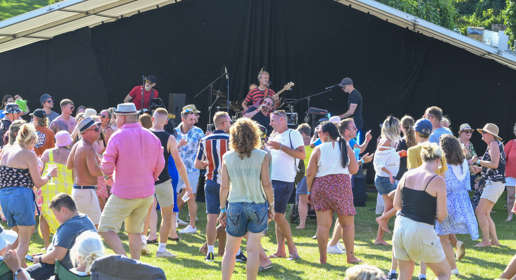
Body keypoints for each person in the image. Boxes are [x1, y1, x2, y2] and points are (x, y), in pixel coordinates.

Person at [99, 103, 164, 260]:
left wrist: (108, 177)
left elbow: (106, 166)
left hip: (124, 192)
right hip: (147, 192)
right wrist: (152, 178)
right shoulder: (152, 136)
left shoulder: (117, 136)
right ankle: (135, 268)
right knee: (134, 232)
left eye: (116, 116)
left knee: (105, 228)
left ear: (122, 117)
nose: (115, 119)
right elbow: (160, 163)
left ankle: (126, 260)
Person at [218, 118, 274, 280]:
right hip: (257, 205)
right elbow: (266, 184)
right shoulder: (262, 156)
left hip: (235, 205)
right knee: (253, 250)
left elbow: (224, 187)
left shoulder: (227, 157)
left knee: (230, 251)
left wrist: (222, 209)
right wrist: (271, 205)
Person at [0, 124, 57, 266]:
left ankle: (16, 268)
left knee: (16, 239)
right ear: (31, 140)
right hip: (21, 196)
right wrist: (50, 175)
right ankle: (15, 271)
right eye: (34, 143)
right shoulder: (29, 154)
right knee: (25, 242)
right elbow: (38, 182)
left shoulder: (6, 151)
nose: (34, 147)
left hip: (5, 196)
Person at [392, 143, 450, 280]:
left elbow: (396, 204)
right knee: (444, 273)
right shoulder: (438, 180)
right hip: (421, 228)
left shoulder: (407, 174)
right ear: (437, 160)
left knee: (404, 274)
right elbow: (442, 216)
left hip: (400, 227)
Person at [306, 121, 360, 264]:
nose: (318, 135)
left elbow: (310, 173)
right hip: (342, 186)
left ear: (326, 134)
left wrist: (308, 191)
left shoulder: (318, 149)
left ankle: (323, 258)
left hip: (321, 185)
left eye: (319, 133)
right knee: (347, 225)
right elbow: (354, 170)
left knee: (323, 226)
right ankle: (350, 257)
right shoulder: (345, 146)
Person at [326, 118, 373, 254]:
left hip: (344, 182)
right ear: (346, 131)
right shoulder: (341, 145)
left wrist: (361, 160)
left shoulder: (344, 143)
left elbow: (347, 166)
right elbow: (345, 167)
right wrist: (362, 161)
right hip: (341, 183)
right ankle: (332, 244)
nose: (356, 130)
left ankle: (333, 243)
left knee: (343, 215)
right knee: (345, 215)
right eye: (353, 128)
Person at [150, 108, 192, 258]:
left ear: (152, 119)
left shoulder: (144, 135)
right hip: (163, 181)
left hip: (145, 181)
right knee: (167, 216)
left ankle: (142, 242)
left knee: (143, 213)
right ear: (166, 122)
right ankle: (161, 248)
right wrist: (187, 185)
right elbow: (179, 164)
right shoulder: (170, 139)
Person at [435, 135, 479, 275]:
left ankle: (453, 268)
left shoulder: (443, 164)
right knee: (446, 235)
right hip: (462, 201)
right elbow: (466, 184)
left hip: (447, 201)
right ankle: (456, 247)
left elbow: (442, 184)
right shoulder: (464, 163)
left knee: (442, 238)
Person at [26, 193, 96, 280]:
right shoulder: (86, 219)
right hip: (84, 270)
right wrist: (46, 255)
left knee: (23, 274)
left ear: (64, 210)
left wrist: (40, 258)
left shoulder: (68, 226)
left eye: (56, 215)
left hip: (66, 270)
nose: (56, 218)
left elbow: (57, 257)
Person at [267, 110, 304, 259]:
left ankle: (292, 249)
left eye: (273, 120)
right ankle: (280, 250)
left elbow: (302, 155)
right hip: (271, 180)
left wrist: (280, 147)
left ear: (283, 120)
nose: (270, 123)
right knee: (277, 216)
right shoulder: (274, 135)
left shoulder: (293, 134)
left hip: (284, 180)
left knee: (278, 215)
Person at [194, 111, 231, 261]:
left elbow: (197, 164)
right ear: (223, 124)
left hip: (210, 181)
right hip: (228, 184)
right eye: (229, 122)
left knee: (211, 218)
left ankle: (210, 251)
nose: (230, 124)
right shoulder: (231, 139)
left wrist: (208, 163)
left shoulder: (205, 139)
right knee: (229, 217)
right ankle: (230, 251)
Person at [473, 123, 506, 248]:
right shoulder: (493, 144)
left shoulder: (493, 144)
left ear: (491, 135)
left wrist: (478, 161)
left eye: (484, 132)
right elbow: (493, 166)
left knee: (480, 212)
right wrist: (480, 169)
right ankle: (495, 241)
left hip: (494, 183)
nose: (482, 134)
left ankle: (486, 241)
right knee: (485, 213)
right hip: (496, 183)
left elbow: (494, 164)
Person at [39, 131, 74, 248]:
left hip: (49, 188)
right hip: (66, 190)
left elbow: (40, 170)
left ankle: (46, 244)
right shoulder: (71, 155)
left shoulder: (48, 153)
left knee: (44, 215)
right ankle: (64, 244)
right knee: (66, 218)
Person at [67, 117, 103, 227]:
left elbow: (69, 165)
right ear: (85, 132)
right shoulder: (88, 148)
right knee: (95, 226)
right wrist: (110, 170)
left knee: (80, 227)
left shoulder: (78, 144)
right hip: (86, 192)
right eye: (95, 129)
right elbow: (94, 171)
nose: (99, 131)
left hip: (79, 190)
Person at [175, 105, 205, 234]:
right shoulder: (175, 131)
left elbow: (204, 149)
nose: (193, 122)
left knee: (190, 196)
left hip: (192, 170)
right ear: (183, 118)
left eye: (194, 119)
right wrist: (178, 145)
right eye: (190, 119)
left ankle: (192, 225)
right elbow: (170, 150)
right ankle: (174, 218)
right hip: (177, 169)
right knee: (177, 196)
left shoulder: (198, 132)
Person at [374, 116, 401, 244]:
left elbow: (387, 158)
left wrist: (399, 154)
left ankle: (379, 238)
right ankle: (382, 219)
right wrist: (390, 174)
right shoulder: (386, 141)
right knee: (400, 203)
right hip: (385, 179)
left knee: (389, 206)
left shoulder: (389, 141)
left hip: (384, 179)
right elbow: (379, 162)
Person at [294, 123, 312, 229]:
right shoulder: (317, 144)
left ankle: (302, 224)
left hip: (304, 176)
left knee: (302, 200)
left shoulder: (299, 147)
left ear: (303, 134)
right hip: (315, 176)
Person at [504, 122, 516, 222]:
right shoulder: (510, 143)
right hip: (510, 174)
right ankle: (509, 216)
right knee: (511, 196)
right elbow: (503, 158)